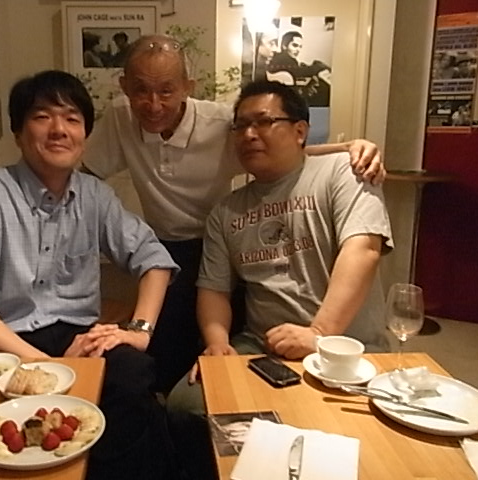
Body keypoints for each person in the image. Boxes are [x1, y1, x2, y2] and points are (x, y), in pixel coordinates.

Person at [81, 34, 385, 395]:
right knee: (170, 358)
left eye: (166, 90)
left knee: (228, 328)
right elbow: (85, 174)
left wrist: (350, 148)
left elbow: (281, 147)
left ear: (188, 88)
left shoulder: (225, 124)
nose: (153, 103)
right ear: (124, 87)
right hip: (169, 245)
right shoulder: (120, 119)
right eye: (141, 90)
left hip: (217, 239)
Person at [0, 70, 185, 480]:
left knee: (134, 374)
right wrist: (46, 367)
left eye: (72, 118)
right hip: (1, 341)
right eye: (42, 117)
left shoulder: (96, 196)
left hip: (77, 336)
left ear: (84, 135)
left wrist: (139, 330)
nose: (59, 129)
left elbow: (153, 257)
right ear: (18, 133)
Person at [166, 79, 393, 415]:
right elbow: (214, 289)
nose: (249, 134)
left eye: (264, 121)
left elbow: (363, 250)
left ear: (300, 131)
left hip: (345, 347)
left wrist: (319, 333)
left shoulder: (346, 172)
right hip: (262, 347)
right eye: (241, 125)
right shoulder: (226, 211)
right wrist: (218, 344)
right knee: (186, 405)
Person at [266, 31, 331, 106]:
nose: (298, 50)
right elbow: (294, 70)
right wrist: (318, 67)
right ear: (284, 46)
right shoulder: (279, 59)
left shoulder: (291, 60)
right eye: (295, 45)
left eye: (300, 47)